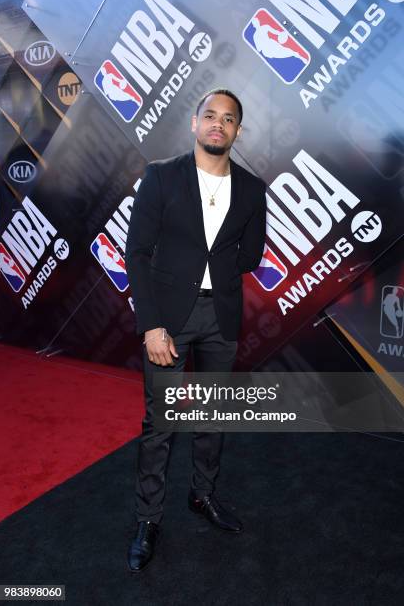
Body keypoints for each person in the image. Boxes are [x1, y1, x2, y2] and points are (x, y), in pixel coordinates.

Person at [124, 88, 266, 572]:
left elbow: (250, 255)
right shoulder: (161, 177)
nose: (218, 125)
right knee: (160, 424)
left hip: (221, 318)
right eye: (210, 115)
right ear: (194, 123)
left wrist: (216, 271)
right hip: (168, 319)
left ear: (237, 131)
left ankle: (202, 495)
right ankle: (148, 520)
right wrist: (152, 325)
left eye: (228, 119)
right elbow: (137, 253)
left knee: (212, 418)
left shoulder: (251, 188)